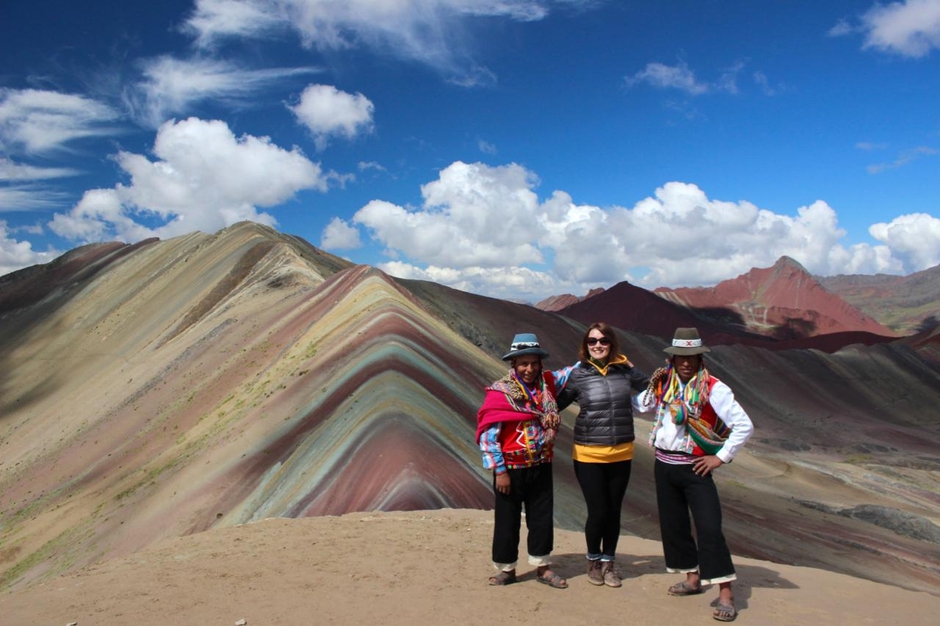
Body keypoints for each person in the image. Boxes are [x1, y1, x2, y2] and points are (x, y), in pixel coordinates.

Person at [641, 327, 754, 622]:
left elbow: (744, 425)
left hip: (695, 467)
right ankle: (692, 578)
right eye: (681, 357)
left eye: (692, 357)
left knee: (709, 527)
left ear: (700, 358)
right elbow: (641, 404)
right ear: (673, 358)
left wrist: (720, 458)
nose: (686, 363)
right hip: (664, 464)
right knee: (674, 525)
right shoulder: (664, 384)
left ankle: (725, 592)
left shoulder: (714, 388)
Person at [554, 322, 650, 588]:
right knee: (598, 511)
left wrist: (631, 367)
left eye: (603, 341)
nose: (598, 345)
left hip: (621, 452)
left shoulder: (624, 372)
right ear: (586, 346)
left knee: (614, 511)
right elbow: (558, 404)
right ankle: (593, 561)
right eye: (592, 341)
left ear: (612, 344)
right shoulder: (578, 374)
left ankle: (609, 563)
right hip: (588, 454)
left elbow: (652, 387)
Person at [476, 332, 567, 589]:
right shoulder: (500, 393)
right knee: (507, 519)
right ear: (513, 365)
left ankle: (543, 567)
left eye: (534, 363)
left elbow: (571, 373)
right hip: (511, 469)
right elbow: (488, 435)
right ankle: (507, 569)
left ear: (540, 364)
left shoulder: (546, 388)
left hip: (540, 465)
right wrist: (500, 471)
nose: (529, 369)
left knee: (541, 517)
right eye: (523, 363)